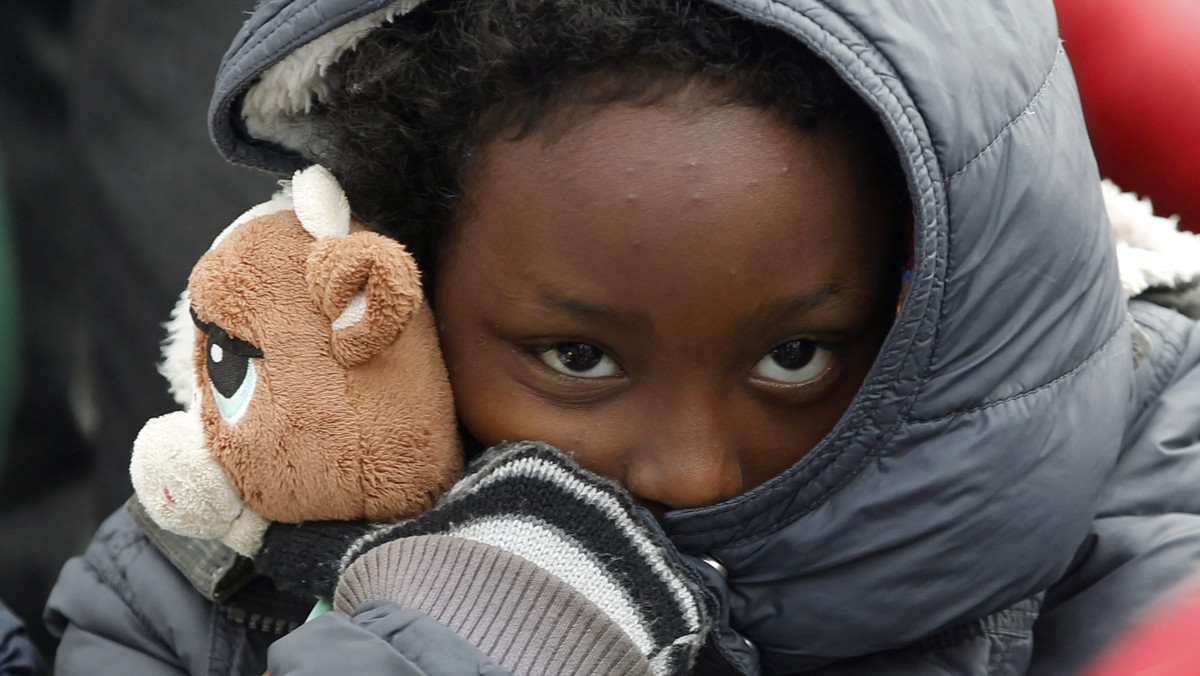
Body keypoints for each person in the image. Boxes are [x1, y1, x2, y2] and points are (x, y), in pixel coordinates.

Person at [45, 0, 1200, 674]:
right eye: (580, 359)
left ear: (920, 281)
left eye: (796, 356)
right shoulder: (234, 541)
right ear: (409, 280)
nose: (692, 465)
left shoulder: (1140, 488)